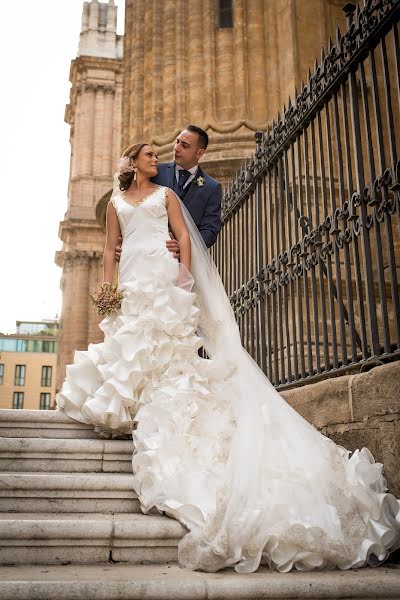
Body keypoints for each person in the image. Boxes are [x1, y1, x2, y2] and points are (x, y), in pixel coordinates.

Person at [56, 142, 400, 574]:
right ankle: (131, 399)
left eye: (165, 153)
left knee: (167, 344)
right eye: (149, 156)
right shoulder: (119, 204)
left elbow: (186, 233)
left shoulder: (167, 194)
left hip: (162, 272)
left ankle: (155, 399)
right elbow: (110, 248)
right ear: (132, 163)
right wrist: (107, 287)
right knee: (134, 339)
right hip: (133, 276)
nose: (158, 159)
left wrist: (182, 267)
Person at [115, 125, 222, 263]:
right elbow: (131, 204)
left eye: (185, 145)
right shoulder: (154, 172)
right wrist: (121, 239)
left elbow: (210, 230)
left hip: (184, 262)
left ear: (199, 153)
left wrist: (185, 246)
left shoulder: (211, 187)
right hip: (146, 257)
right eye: (177, 142)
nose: (176, 148)